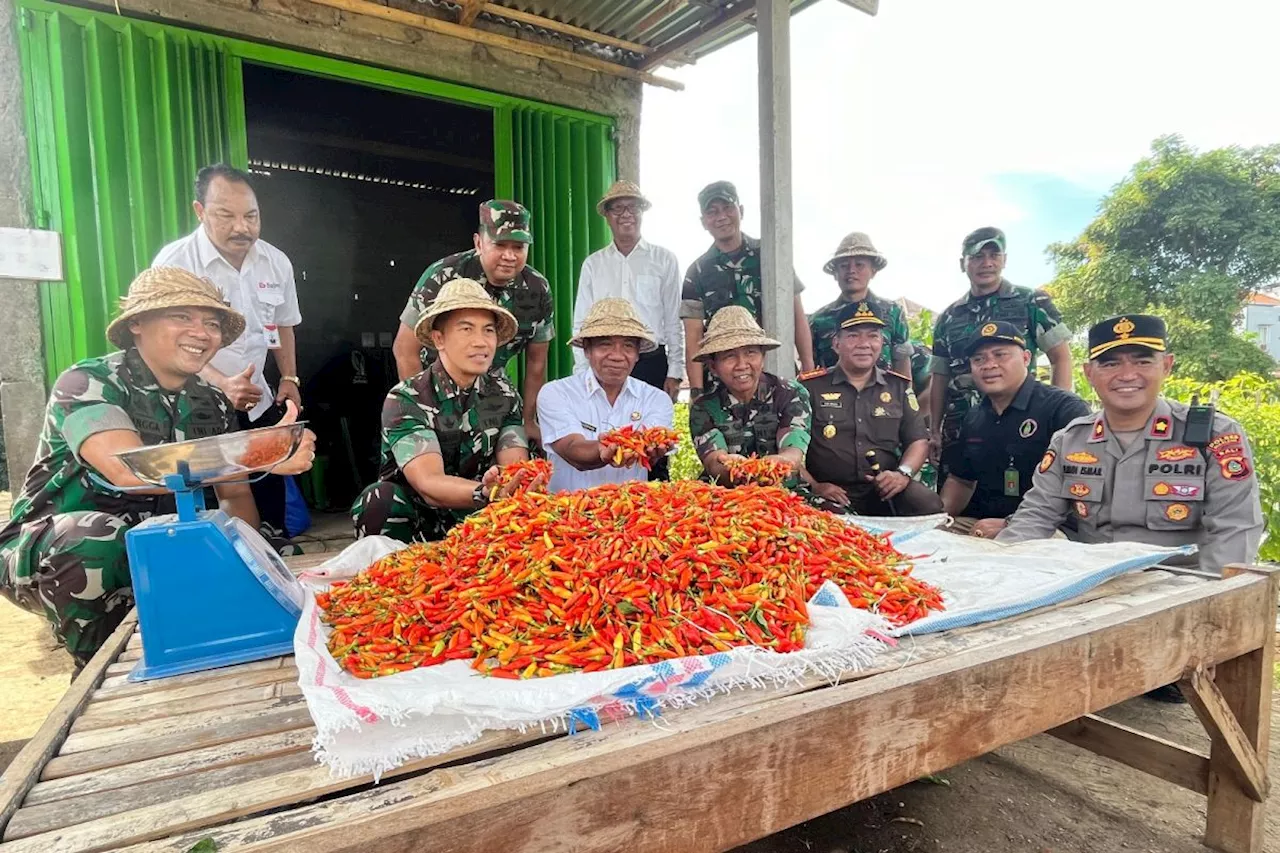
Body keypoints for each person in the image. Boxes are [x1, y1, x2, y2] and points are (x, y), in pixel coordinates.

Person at [0, 267, 316, 666]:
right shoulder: (88, 383)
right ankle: (97, 669)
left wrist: (248, 561)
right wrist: (258, 453)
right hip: (52, 550)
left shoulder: (212, 402)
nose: (201, 333)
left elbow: (234, 496)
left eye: (212, 322)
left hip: (162, 543)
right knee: (97, 541)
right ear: (137, 323)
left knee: (274, 557)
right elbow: (128, 471)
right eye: (181, 317)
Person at [998, 314, 1263, 572]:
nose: (1126, 375)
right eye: (1110, 364)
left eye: (1143, 362)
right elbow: (1035, 517)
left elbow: (1234, 530)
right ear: (1089, 373)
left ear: (1167, 366)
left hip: (1184, 586)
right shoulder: (1070, 441)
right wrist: (994, 572)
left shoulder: (1214, 435)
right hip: (1095, 584)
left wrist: (1211, 602)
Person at [153, 164, 304, 546]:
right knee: (206, 487)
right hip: (194, 399)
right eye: (226, 216)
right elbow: (166, 344)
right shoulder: (175, 264)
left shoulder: (276, 262)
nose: (242, 227)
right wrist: (221, 383)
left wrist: (289, 378)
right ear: (199, 211)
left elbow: (284, 324)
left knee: (265, 476)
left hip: (257, 396)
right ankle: (214, 557)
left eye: (251, 216)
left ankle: (270, 548)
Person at [353, 279, 533, 543]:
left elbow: (514, 467)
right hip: (420, 517)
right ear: (439, 339)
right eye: (466, 330)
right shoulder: (406, 398)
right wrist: (485, 492)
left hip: (478, 517)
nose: (481, 342)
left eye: (488, 331)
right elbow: (429, 483)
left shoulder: (505, 396)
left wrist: (512, 487)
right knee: (379, 499)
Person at [391, 200, 552, 442]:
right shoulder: (443, 275)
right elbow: (405, 350)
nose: (509, 256)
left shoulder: (536, 288)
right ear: (479, 242)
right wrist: (423, 411)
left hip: (494, 397)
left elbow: (537, 362)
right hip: (437, 390)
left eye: (518, 247)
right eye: (499, 245)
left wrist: (529, 420)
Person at [929, 227, 1073, 472]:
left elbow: (1061, 358)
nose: (986, 263)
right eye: (976, 257)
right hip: (961, 425)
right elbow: (940, 377)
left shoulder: (1031, 302)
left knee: (1024, 490)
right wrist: (934, 429)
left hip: (1022, 422)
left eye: (993, 255)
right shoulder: (949, 317)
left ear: (1004, 260)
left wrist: (1055, 415)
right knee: (957, 492)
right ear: (962, 264)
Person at [940, 321, 1091, 537]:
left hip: (1052, 527)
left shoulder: (1063, 409)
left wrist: (1011, 523)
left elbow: (1081, 488)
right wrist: (935, 520)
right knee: (930, 539)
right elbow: (961, 481)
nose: (989, 365)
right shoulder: (975, 416)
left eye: (1000, 355)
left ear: (1026, 358)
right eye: (978, 359)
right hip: (982, 523)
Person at [801, 301, 943, 516]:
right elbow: (790, 447)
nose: (864, 344)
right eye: (853, 335)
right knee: (828, 518)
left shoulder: (899, 387)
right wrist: (815, 486)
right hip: (830, 491)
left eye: (873, 336)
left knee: (928, 504)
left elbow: (918, 441)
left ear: (881, 342)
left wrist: (902, 475)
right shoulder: (809, 387)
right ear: (836, 344)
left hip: (884, 487)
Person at [680, 181, 815, 395]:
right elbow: (694, 335)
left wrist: (808, 369)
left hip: (776, 370)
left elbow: (796, 313)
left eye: (727, 208)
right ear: (703, 222)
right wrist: (696, 391)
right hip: (722, 379)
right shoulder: (696, 271)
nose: (721, 216)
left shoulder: (772, 255)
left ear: (740, 211)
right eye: (712, 212)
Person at [539, 299, 676, 492]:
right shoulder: (556, 393)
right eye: (605, 345)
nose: (617, 356)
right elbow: (572, 448)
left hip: (630, 515)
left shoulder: (656, 399)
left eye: (628, 346)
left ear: (637, 354)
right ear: (587, 349)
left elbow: (653, 443)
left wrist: (652, 449)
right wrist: (607, 449)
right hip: (566, 513)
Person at [572, 180, 683, 402]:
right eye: (617, 208)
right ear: (607, 216)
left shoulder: (664, 260)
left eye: (633, 207)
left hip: (651, 362)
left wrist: (675, 371)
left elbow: (673, 319)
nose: (626, 214)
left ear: (642, 212)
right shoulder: (593, 264)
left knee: (650, 431)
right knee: (605, 430)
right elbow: (581, 322)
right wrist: (583, 371)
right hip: (604, 363)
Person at [688, 307, 812, 494]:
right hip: (728, 494)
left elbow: (792, 453)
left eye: (750, 353)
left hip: (783, 491)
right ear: (713, 367)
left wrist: (778, 464)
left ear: (763, 357)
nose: (742, 365)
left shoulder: (790, 394)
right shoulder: (703, 408)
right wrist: (735, 468)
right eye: (729, 356)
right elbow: (715, 463)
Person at [807, 232, 911, 375]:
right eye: (844, 266)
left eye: (859, 265)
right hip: (833, 394)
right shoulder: (818, 320)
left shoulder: (893, 312)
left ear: (873, 271)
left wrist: (905, 394)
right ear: (835, 274)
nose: (851, 271)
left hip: (884, 394)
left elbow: (902, 361)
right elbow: (810, 365)